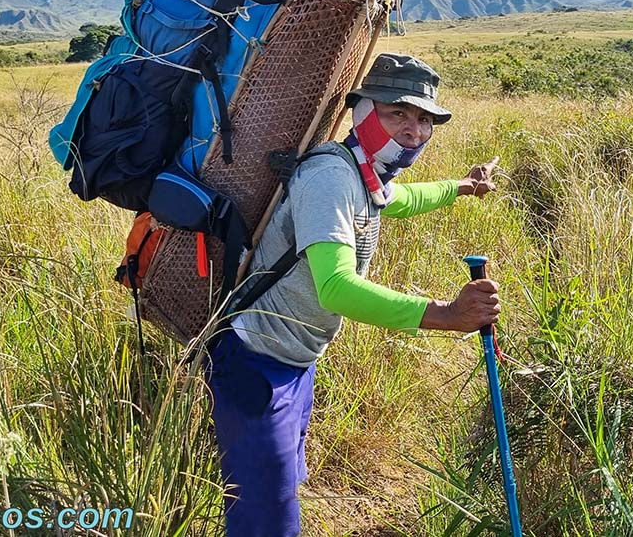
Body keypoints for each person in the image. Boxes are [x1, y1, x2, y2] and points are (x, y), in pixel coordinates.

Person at [206, 52, 502, 537]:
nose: (414, 130)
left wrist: (462, 187)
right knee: (267, 519)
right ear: (362, 112)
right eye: (397, 113)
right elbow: (337, 288)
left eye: (425, 119)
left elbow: (396, 200)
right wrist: (444, 314)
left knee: (275, 496)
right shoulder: (331, 177)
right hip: (256, 362)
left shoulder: (363, 175)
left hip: (295, 362)